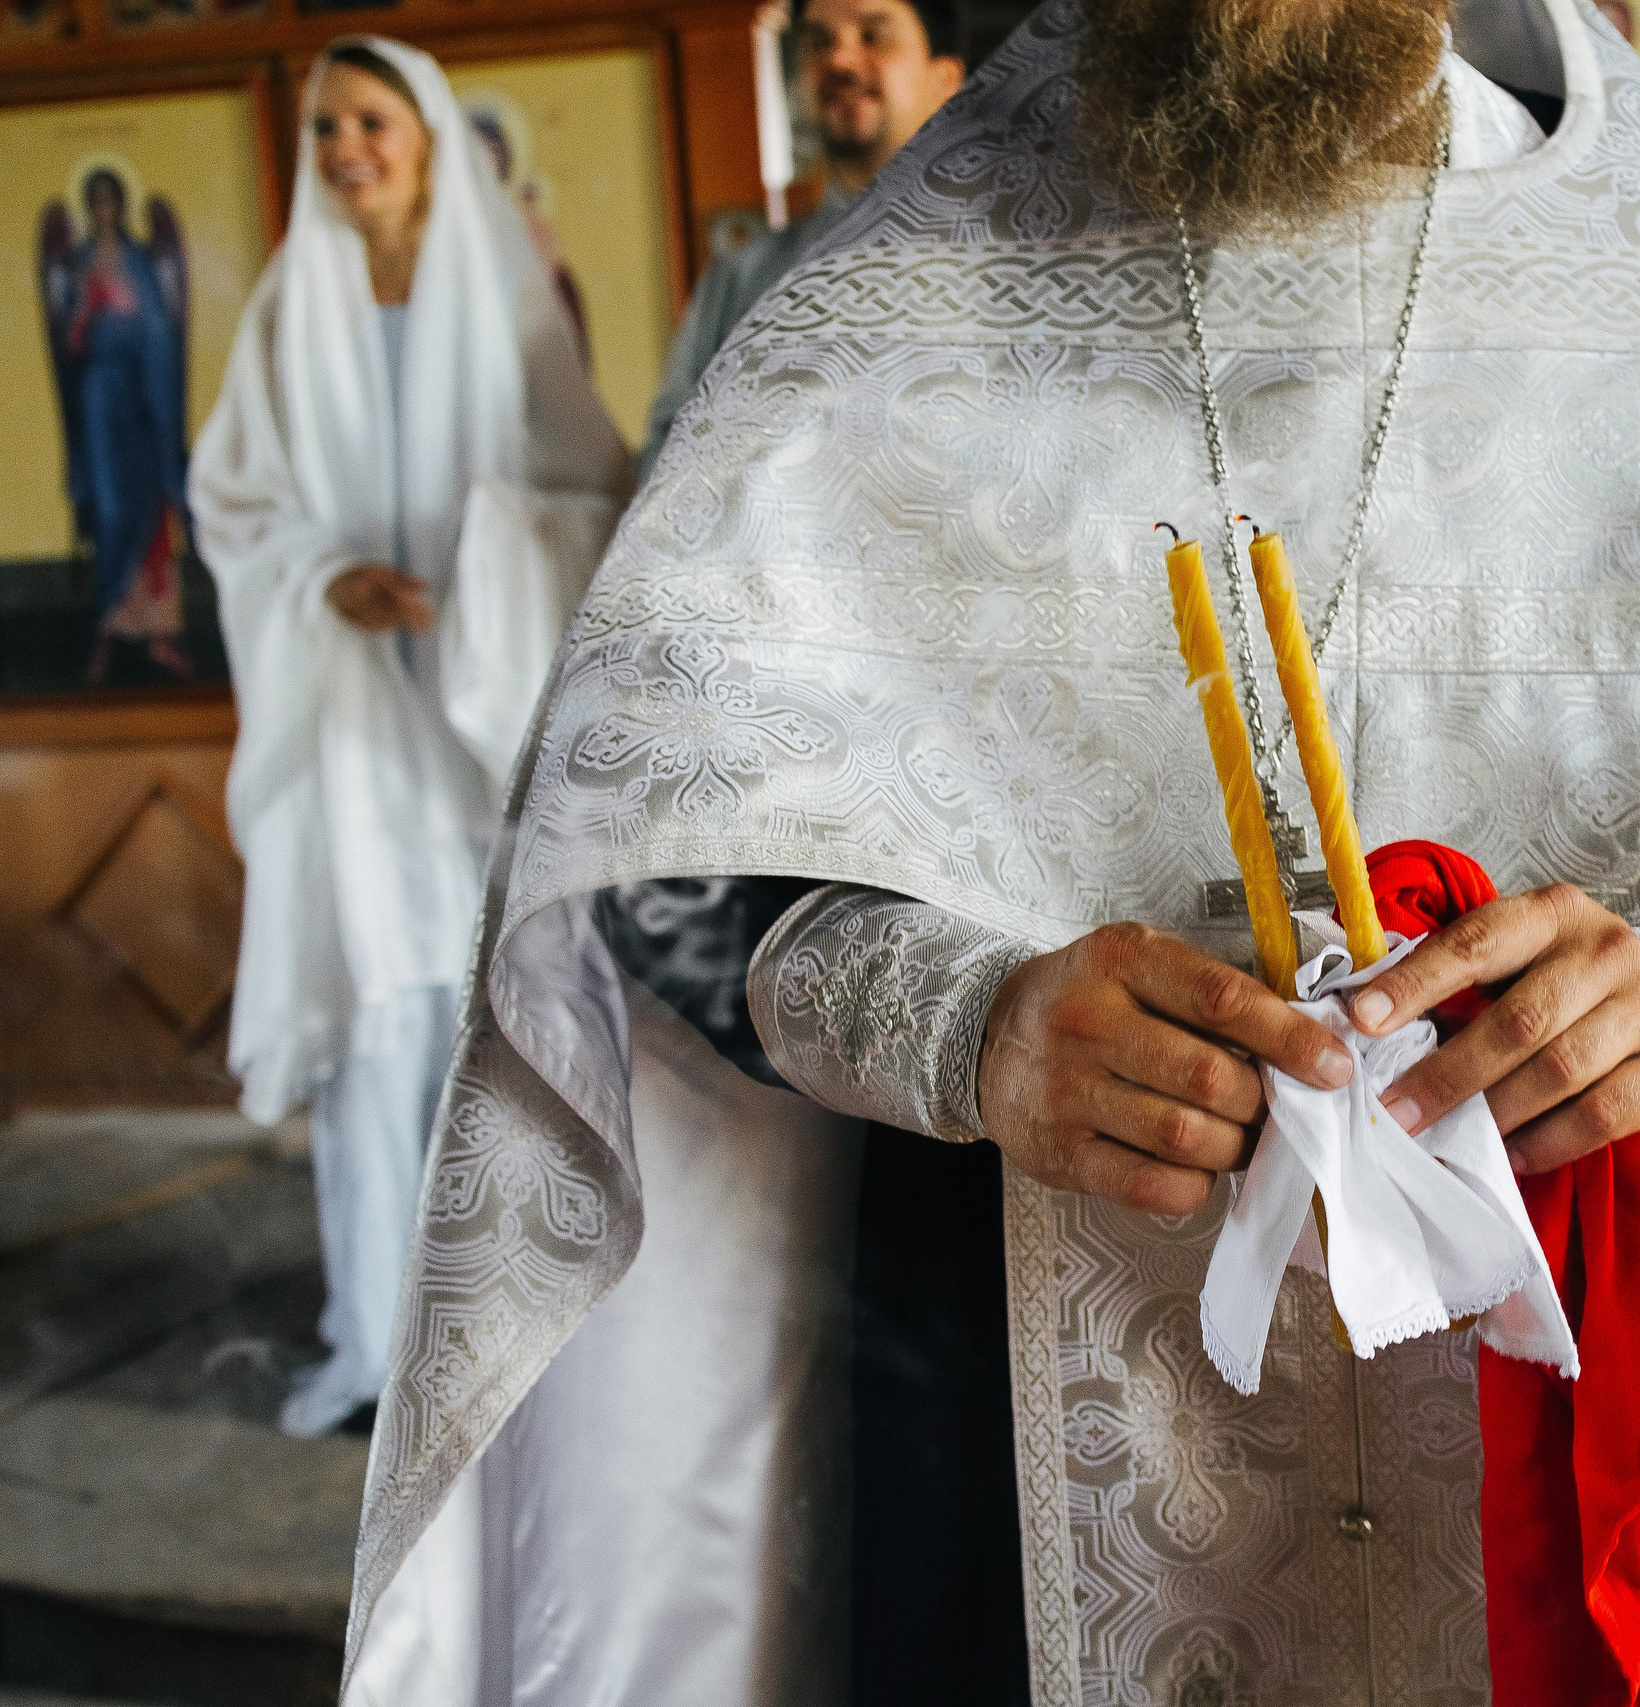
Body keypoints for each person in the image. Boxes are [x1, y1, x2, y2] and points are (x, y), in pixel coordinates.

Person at [342, 0, 1640, 1702]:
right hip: (1011, 1438)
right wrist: (962, 1020)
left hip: (1619, 1389)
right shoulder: (900, 296)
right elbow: (652, 858)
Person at [189, 37, 629, 1439]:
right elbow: (235, 502)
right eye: (324, 129)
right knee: (378, 1024)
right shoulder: (286, 302)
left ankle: (512, 1328)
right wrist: (324, 576)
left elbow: (589, 490)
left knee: (490, 1008)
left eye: (370, 121)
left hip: (478, 722)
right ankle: (379, 1337)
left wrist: (490, 555)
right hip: (350, 718)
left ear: (431, 137)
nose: (344, 150)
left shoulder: (506, 301)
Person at [634, 0, 964, 479]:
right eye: (818, 43)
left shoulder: (1017, 272)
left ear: (945, 81)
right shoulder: (739, 280)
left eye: (874, 36)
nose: (840, 61)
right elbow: (665, 470)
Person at [39, 165, 192, 682]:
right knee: (109, 509)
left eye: (112, 201)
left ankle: (160, 635)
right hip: (101, 398)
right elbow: (71, 339)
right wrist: (87, 303)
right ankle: (104, 633)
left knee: (152, 506)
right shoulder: (79, 263)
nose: (105, 211)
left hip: (145, 393)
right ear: (88, 207)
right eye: (97, 202)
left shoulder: (143, 261)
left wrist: (129, 308)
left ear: (122, 206)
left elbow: (162, 330)